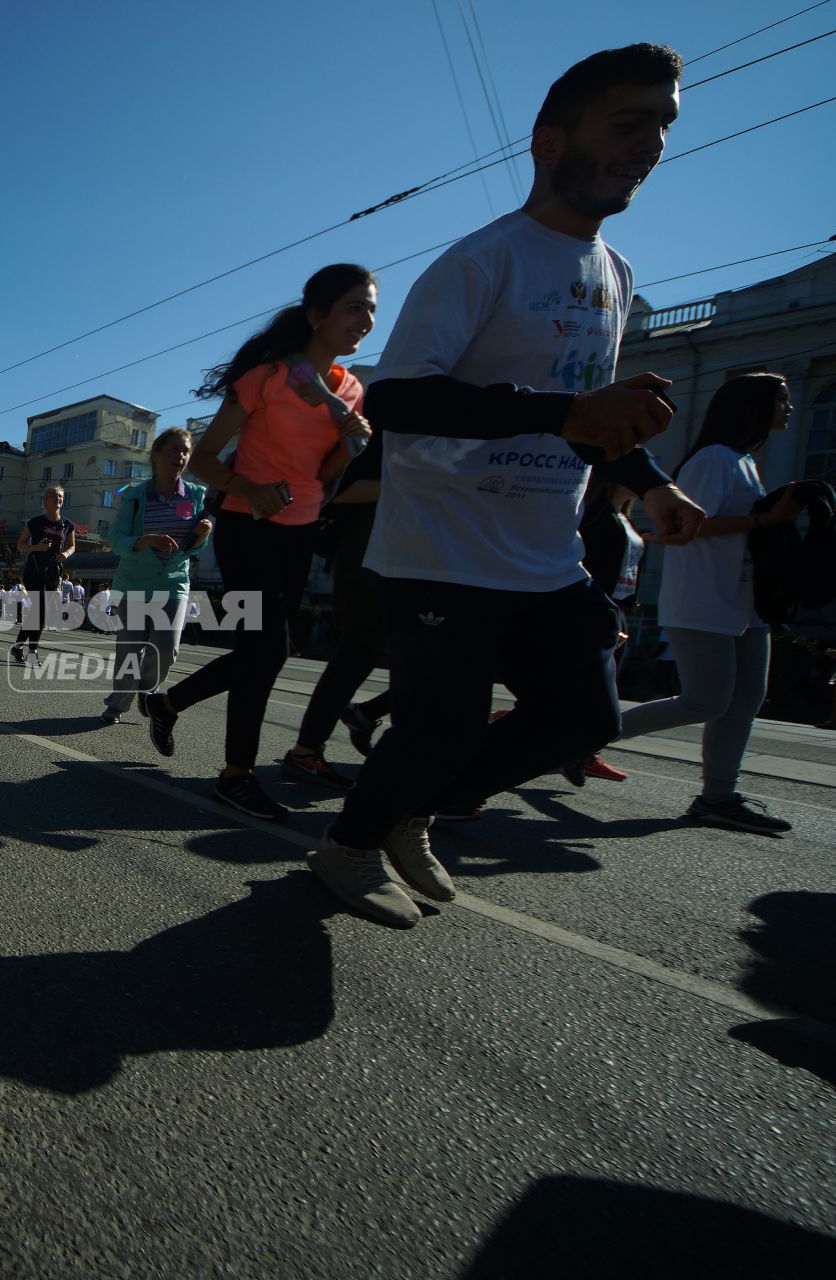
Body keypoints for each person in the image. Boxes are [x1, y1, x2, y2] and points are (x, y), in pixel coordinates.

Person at [310, 44, 705, 929]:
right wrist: (562, 413)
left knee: (581, 717)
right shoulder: (483, 261)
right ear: (551, 141)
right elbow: (402, 398)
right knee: (438, 727)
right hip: (442, 546)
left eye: (664, 127)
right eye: (629, 122)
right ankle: (344, 846)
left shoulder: (617, 274)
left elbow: (591, 418)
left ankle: (408, 812)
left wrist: (648, 486)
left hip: (544, 551)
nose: (651, 144)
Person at [140, 262, 377, 820]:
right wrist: (250, 487)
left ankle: (167, 702)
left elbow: (321, 477)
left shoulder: (351, 390)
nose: (365, 319)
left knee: (261, 652)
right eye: (354, 307)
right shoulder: (267, 377)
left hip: (301, 529)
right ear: (317, 315)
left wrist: (351, 442)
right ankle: (236, 775)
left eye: (370, 308)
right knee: (267, 651)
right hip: (248, 526)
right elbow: (203, 461)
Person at [608, 373, 799, 833]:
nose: (788, 409)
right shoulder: (714, 459)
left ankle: (718, 796)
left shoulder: (742, 460)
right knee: (705, 701)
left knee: (745, 698)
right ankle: (580, 734)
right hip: (705, 597)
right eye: (781, 400)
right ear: (754, 406)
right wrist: (767, 518)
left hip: (744, 600)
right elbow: (688, 526)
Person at [287, 431, 391, 785]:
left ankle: (361, 723)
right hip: (369, 562)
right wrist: (412, 485)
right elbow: (338, 490)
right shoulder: (382, 436)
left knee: (426, 658)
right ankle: (308, 750)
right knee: (359, 653)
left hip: (416, 560)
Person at [103, 428, 211, 726]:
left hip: (173, 581)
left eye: (186, 451)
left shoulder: (195, 495)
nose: (181, 456)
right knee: (130, 647)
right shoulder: (136, 496)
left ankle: (149, 694)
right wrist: (146, 539)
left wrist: (202, 534)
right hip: (135, 582)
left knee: (167, 647)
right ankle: (117, 704)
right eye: (175, 449)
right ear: (157, 453)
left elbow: (194, 544)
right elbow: (117, 539)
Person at [562, 478, 641, 784]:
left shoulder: (623, 517)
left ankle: (582, 752)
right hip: (599, 609)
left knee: (600, 688)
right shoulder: (596, 517)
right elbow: (592, 567)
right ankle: (578, 751)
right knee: (588, 690)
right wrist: (604, 613)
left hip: (617, 608)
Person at [12, 486, 75, 666]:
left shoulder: (68, 524)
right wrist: (37, 547)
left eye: (61, 496)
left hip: (53, 571)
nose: (58, 499)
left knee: (40, 611)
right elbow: (21, 545)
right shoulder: (35, 522)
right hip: (34, 569)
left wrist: (66, 554)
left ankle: (19, 647)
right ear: (45, 501)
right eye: (54, 496)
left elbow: (72, 546)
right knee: (40, 609)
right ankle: (32, 651)